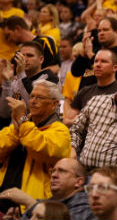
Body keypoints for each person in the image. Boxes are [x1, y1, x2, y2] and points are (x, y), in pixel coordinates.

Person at [0, 80, 71, 213]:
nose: (33, 101)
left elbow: (38, 148)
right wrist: (16, 131)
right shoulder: (22, 125)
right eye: (32, 96)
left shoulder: (60, 130)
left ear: (55, 104)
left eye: (40, 97)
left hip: (31, 205)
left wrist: (22, 122)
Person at [0, 158, 93, 220]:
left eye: (62, 171)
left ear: (78, 182)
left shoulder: (87, 203)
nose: (54, 175)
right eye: (53, 171)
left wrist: (30, 203)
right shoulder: (44, 202)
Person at [0, 41, 59, 118]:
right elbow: (4, 113)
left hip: (40, 128)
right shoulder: (17, 79)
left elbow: (34, 109)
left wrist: (21, 73)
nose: (25, 59)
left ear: (41, 59)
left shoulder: (50, 78)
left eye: (30, 56)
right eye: (22, 56)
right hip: (15, 127)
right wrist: (6, 82)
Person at [63, 49, 117, 126]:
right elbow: (66, 121)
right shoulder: (85, 91)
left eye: (103, 61)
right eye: (96, 61)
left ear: (115, 68)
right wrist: (80, 120)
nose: (98, 65)